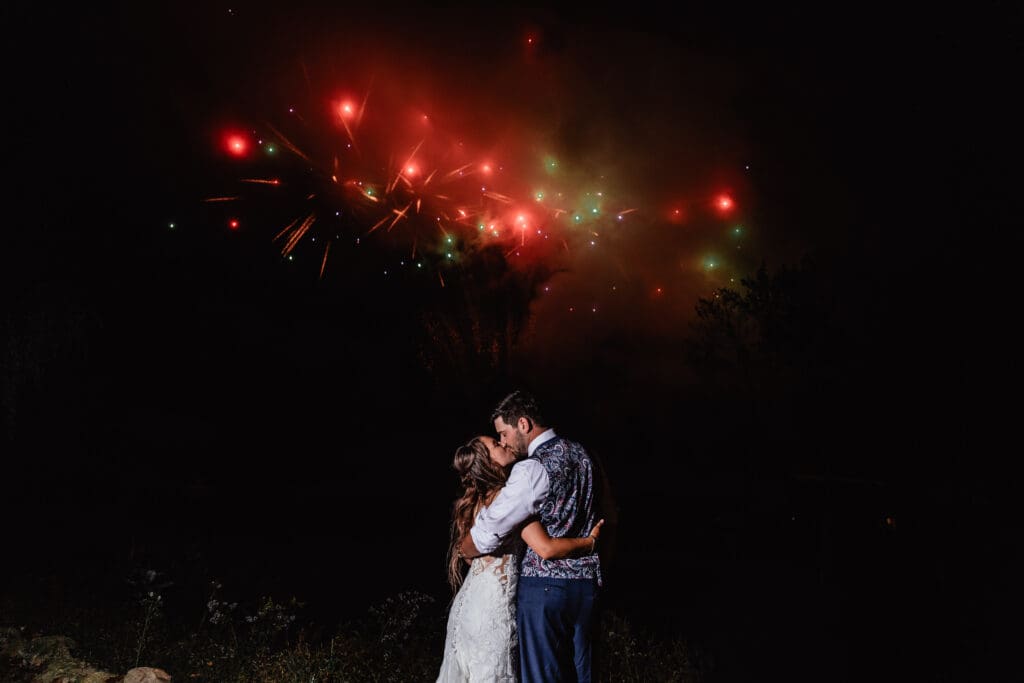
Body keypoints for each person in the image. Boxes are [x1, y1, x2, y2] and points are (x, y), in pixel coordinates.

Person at [459, 390, 603, 682]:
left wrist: (466, 548)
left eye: (504, 433)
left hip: (545, 589)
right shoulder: (584, 454)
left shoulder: (531, 469)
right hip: (586, 586)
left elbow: (489, 532)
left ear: (523, 424)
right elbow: (608, 513)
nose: (504, 442)